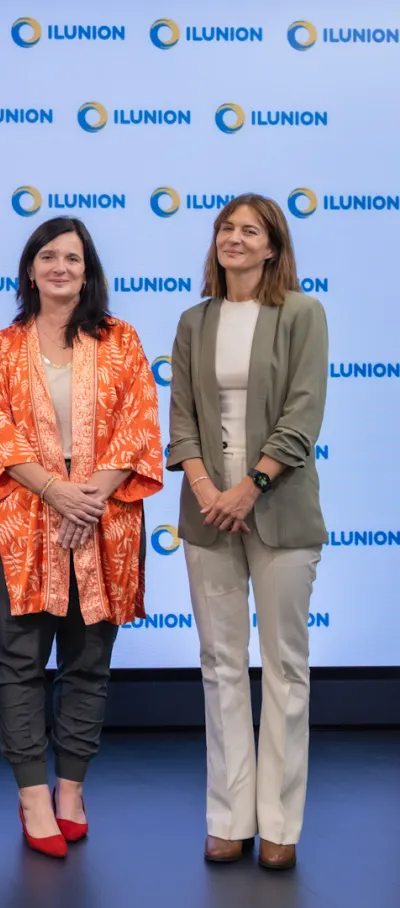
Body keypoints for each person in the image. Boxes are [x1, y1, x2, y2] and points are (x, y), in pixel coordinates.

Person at [0, 217, 163, 858]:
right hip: (25, 522)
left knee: (88, 664)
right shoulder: (6, 346)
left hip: (104, 522)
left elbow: (140, 426)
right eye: (48, 257)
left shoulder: (121, 340)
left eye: (73, 259)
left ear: (89, 272)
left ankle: (71, 790)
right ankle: (32, 794)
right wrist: (56, 492)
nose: (61, 267)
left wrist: (90, 494)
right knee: (21, 663)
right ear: (30, 269)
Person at [167, 194, 328, 871]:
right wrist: (209, 492)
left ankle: (281, 823)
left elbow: (303, 413)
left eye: (250, 230)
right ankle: (229, 818)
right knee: (221, 667)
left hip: (280, 508)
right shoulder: (193, 319)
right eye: (226, 228)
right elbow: (181, 419)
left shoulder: (301, 314)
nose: (235, 238)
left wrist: (247, 488)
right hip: (208, 516)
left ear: (272, 247)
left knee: (286, 668)